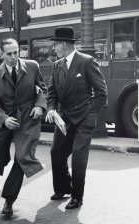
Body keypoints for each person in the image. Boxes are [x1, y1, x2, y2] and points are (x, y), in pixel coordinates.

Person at [0, 38, 47, 216]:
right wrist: (4, 119)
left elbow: (43, 88)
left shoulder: (32, 66)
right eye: (9, 54)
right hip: (3, 120)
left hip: (27, 119)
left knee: (22, 158)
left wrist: (39, 105)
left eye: (16, 52)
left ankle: (9, 200)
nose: (14, 57)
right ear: (1, 55)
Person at [45, 26, 108, 209]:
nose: (53, 49)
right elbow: (52, 93)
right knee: (56, 152)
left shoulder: (86, 62)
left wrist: (92, 113)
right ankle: (63, 188)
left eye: (55, 45)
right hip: (64, 118)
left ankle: (77, 197)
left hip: (84, 118)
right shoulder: (56, 65)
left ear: (63, 45)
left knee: (78, 158)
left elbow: (101, 92)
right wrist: (50, 108)